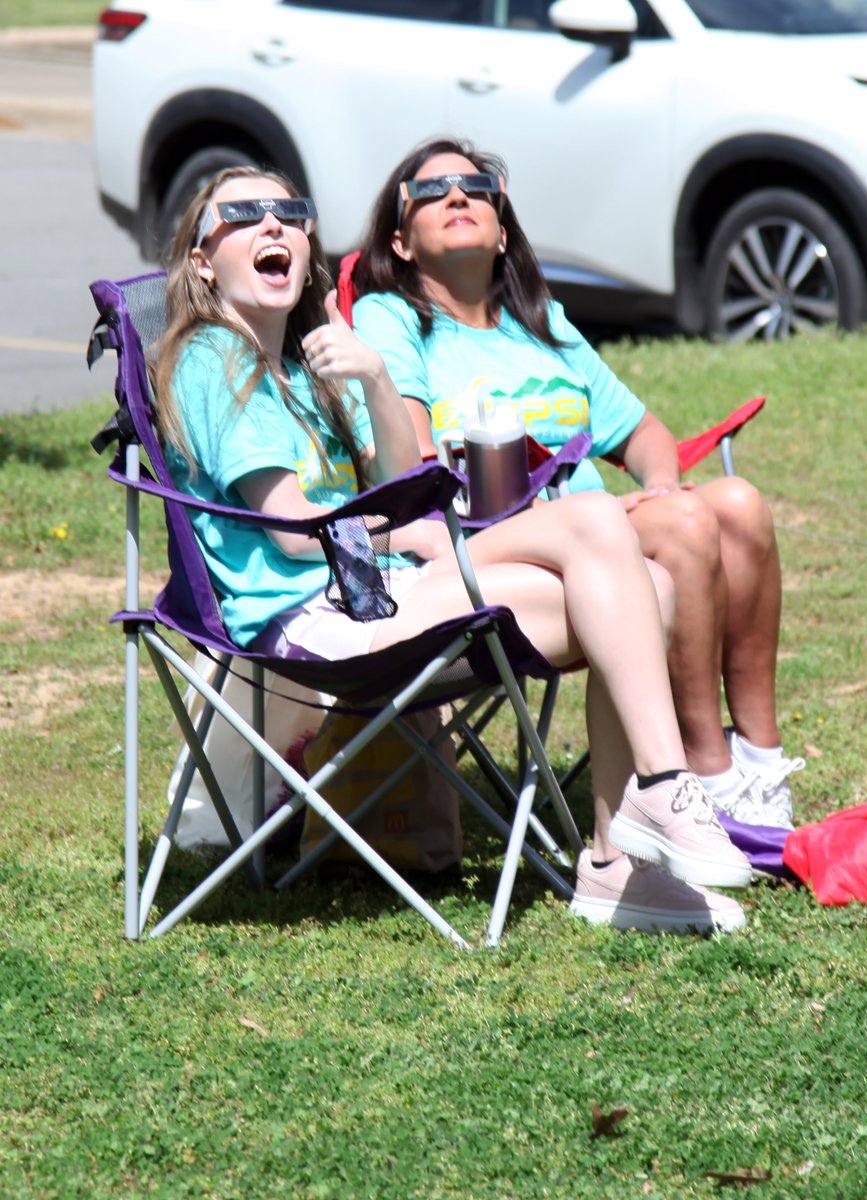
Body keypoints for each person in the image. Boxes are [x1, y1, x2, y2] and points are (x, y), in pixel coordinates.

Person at [155, 165, 752, 937]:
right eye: (241, 214)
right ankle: (664, 788)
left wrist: (372, 376)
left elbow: (397, 478)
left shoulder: (304, 368)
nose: (272, 224)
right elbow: (294, 533)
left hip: (379, 592)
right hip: (316, 623)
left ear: (307, 246)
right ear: (203, 260)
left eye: (288, 211)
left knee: (646, 583)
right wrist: (401, 532)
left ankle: (617, 862)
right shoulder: (214, 358)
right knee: (601, 527)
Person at [351, 137, 804, 832]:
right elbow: (410, 464)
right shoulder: (392, 317)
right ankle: (706, 775)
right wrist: (646, 513)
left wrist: (656, 486)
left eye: (476, 188)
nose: (457, 197)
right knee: (684, 525)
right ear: (402, 242)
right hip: (490, 545)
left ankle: (763, 769)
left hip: (599, 528)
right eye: (431, 192)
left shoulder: (542, 324)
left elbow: (647, 435)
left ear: (502, 230)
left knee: (736, 506)